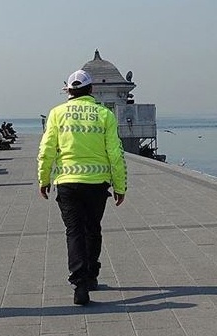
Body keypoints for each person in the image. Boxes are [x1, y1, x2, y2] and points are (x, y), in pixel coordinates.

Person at [37, 69, 127, 305]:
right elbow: (115, 154)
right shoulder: (104, 114)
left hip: (67, 183)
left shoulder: (56, 114)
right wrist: (120, 186)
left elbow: (46, 150)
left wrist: (43, 179)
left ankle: (79, 285)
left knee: (74, 232)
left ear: (68, 91)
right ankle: (91, 275)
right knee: (93, 229)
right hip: (97, 185)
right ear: (91, 90)